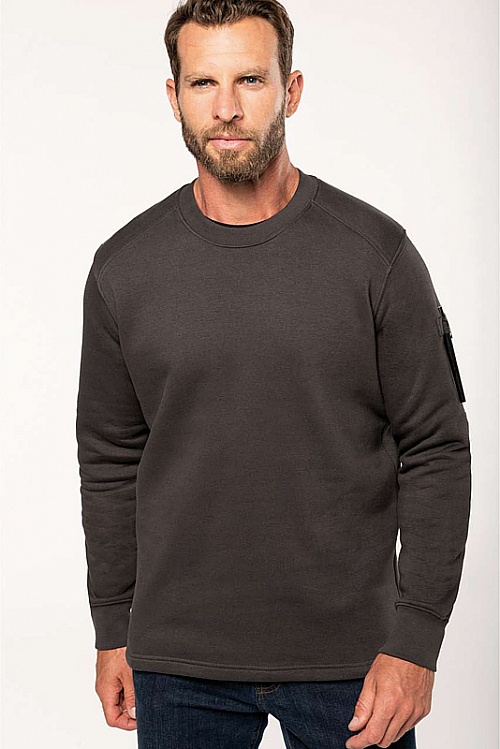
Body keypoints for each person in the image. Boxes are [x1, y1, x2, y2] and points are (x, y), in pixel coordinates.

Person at [75, 1, 472, 747]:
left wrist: (416, 641)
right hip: (177, 662)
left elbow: (437, 448)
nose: (226, 108)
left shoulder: (377, 256)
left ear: (291, 90)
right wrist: (112, 626)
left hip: (355, 663)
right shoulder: (123, 269)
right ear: (174, 97)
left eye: (250, 79)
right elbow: (110, 458)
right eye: (204, 83)